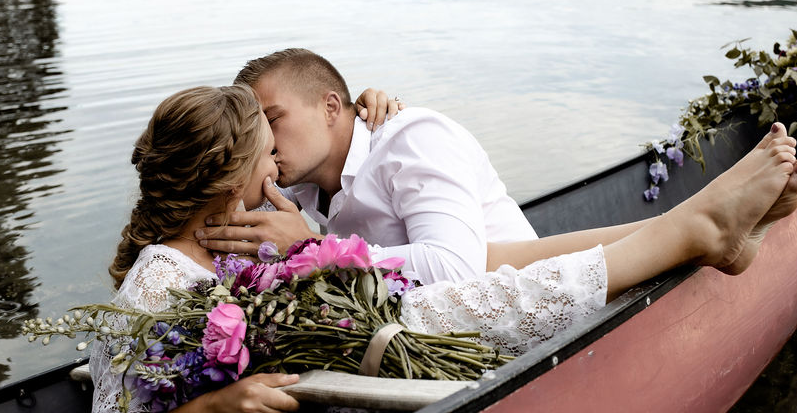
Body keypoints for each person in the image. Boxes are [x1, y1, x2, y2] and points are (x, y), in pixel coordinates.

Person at [90, 84, 797, 413]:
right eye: (264, 159)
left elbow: (329, 168)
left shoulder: (238, 246)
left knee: (451, 286)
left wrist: (366, 110)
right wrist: (215, 409)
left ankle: (687, 230)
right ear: (226, 181)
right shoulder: (160, 279)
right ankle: (691, 231)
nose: (277, 170)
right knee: (429, 309)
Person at [195, 48, 539, 284]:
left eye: (272, 120)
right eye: (257, 132)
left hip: (510, 303)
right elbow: (228, 214)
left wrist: (313, 248)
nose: (266, 142)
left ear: (330, 108)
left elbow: (455, 268)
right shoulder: (299, 175)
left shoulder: (412, 138)